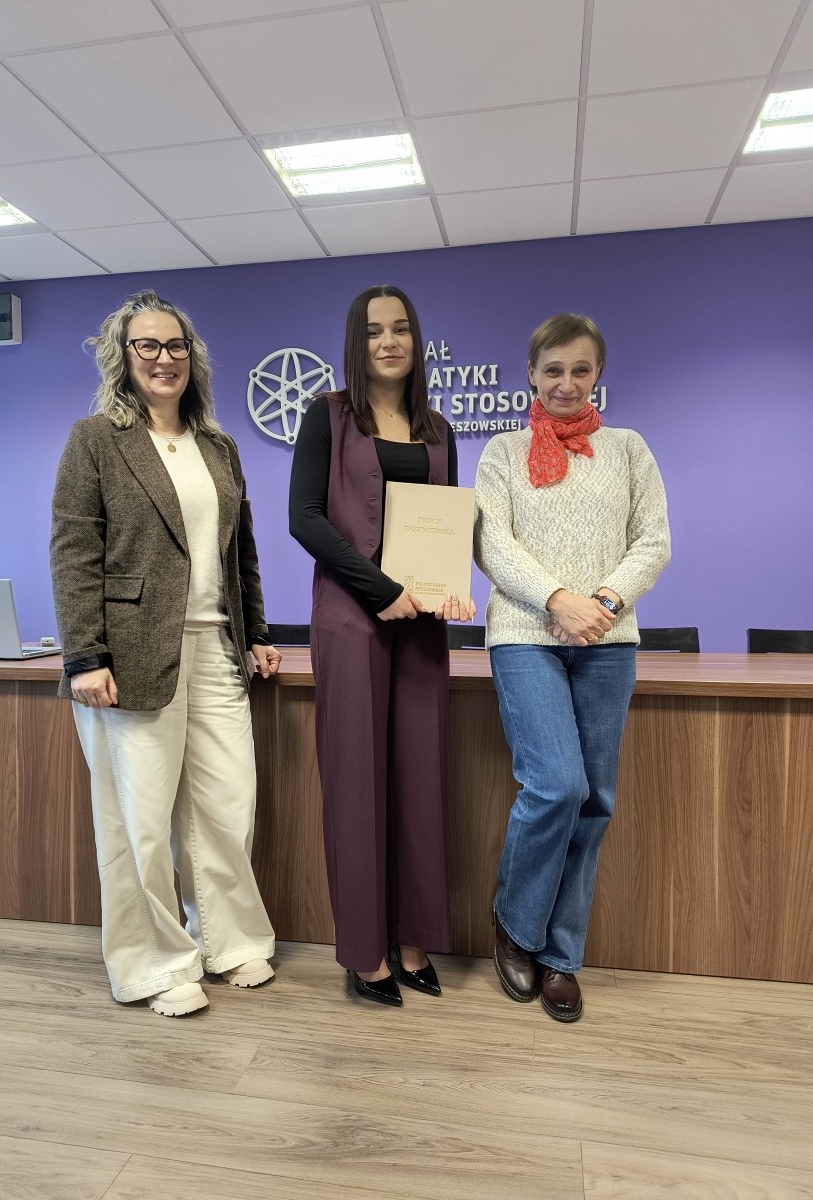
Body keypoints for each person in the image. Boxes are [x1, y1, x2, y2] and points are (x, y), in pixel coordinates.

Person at [50, 290, 281, 1017]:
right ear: (122, 357)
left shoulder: (219, 447)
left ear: (192, 358)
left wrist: (258, 634)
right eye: (146, 346)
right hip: (130, 654)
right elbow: (74, 552)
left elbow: (241, 553)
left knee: (228, 805)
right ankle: (152, 964)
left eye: (175, 345)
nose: (163, 358)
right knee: (140, 821)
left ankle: (229, 941)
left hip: (215, 649)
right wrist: (84, 656)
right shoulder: (95, 439)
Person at [474, 312, 670, 1022]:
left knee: (595, 801)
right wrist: (559, 599)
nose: (566, 382)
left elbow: (653, 540)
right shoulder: (501, 451)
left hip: (607, 643)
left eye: (580, 369)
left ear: (597, 375)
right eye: (552, 369)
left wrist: (603, 604)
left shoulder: (627, 448)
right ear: (531, 374)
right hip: (525, 636)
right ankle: (515, 924)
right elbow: (493, 544)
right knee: (557, 784)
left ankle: (561, 954)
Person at [289, 284, 475, 1007]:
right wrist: (381, 590)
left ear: (416, 339)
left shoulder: (438, 428)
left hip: (423, 626)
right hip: (351, 619)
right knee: (357, 781)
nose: (389, 342)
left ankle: (413, 939)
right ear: (356, 342)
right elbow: (305, 518)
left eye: (400, 329)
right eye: (373, 331)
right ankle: (365, 953)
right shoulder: (328, 416)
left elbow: (446, 524)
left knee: (420, 779)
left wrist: (452, 588)